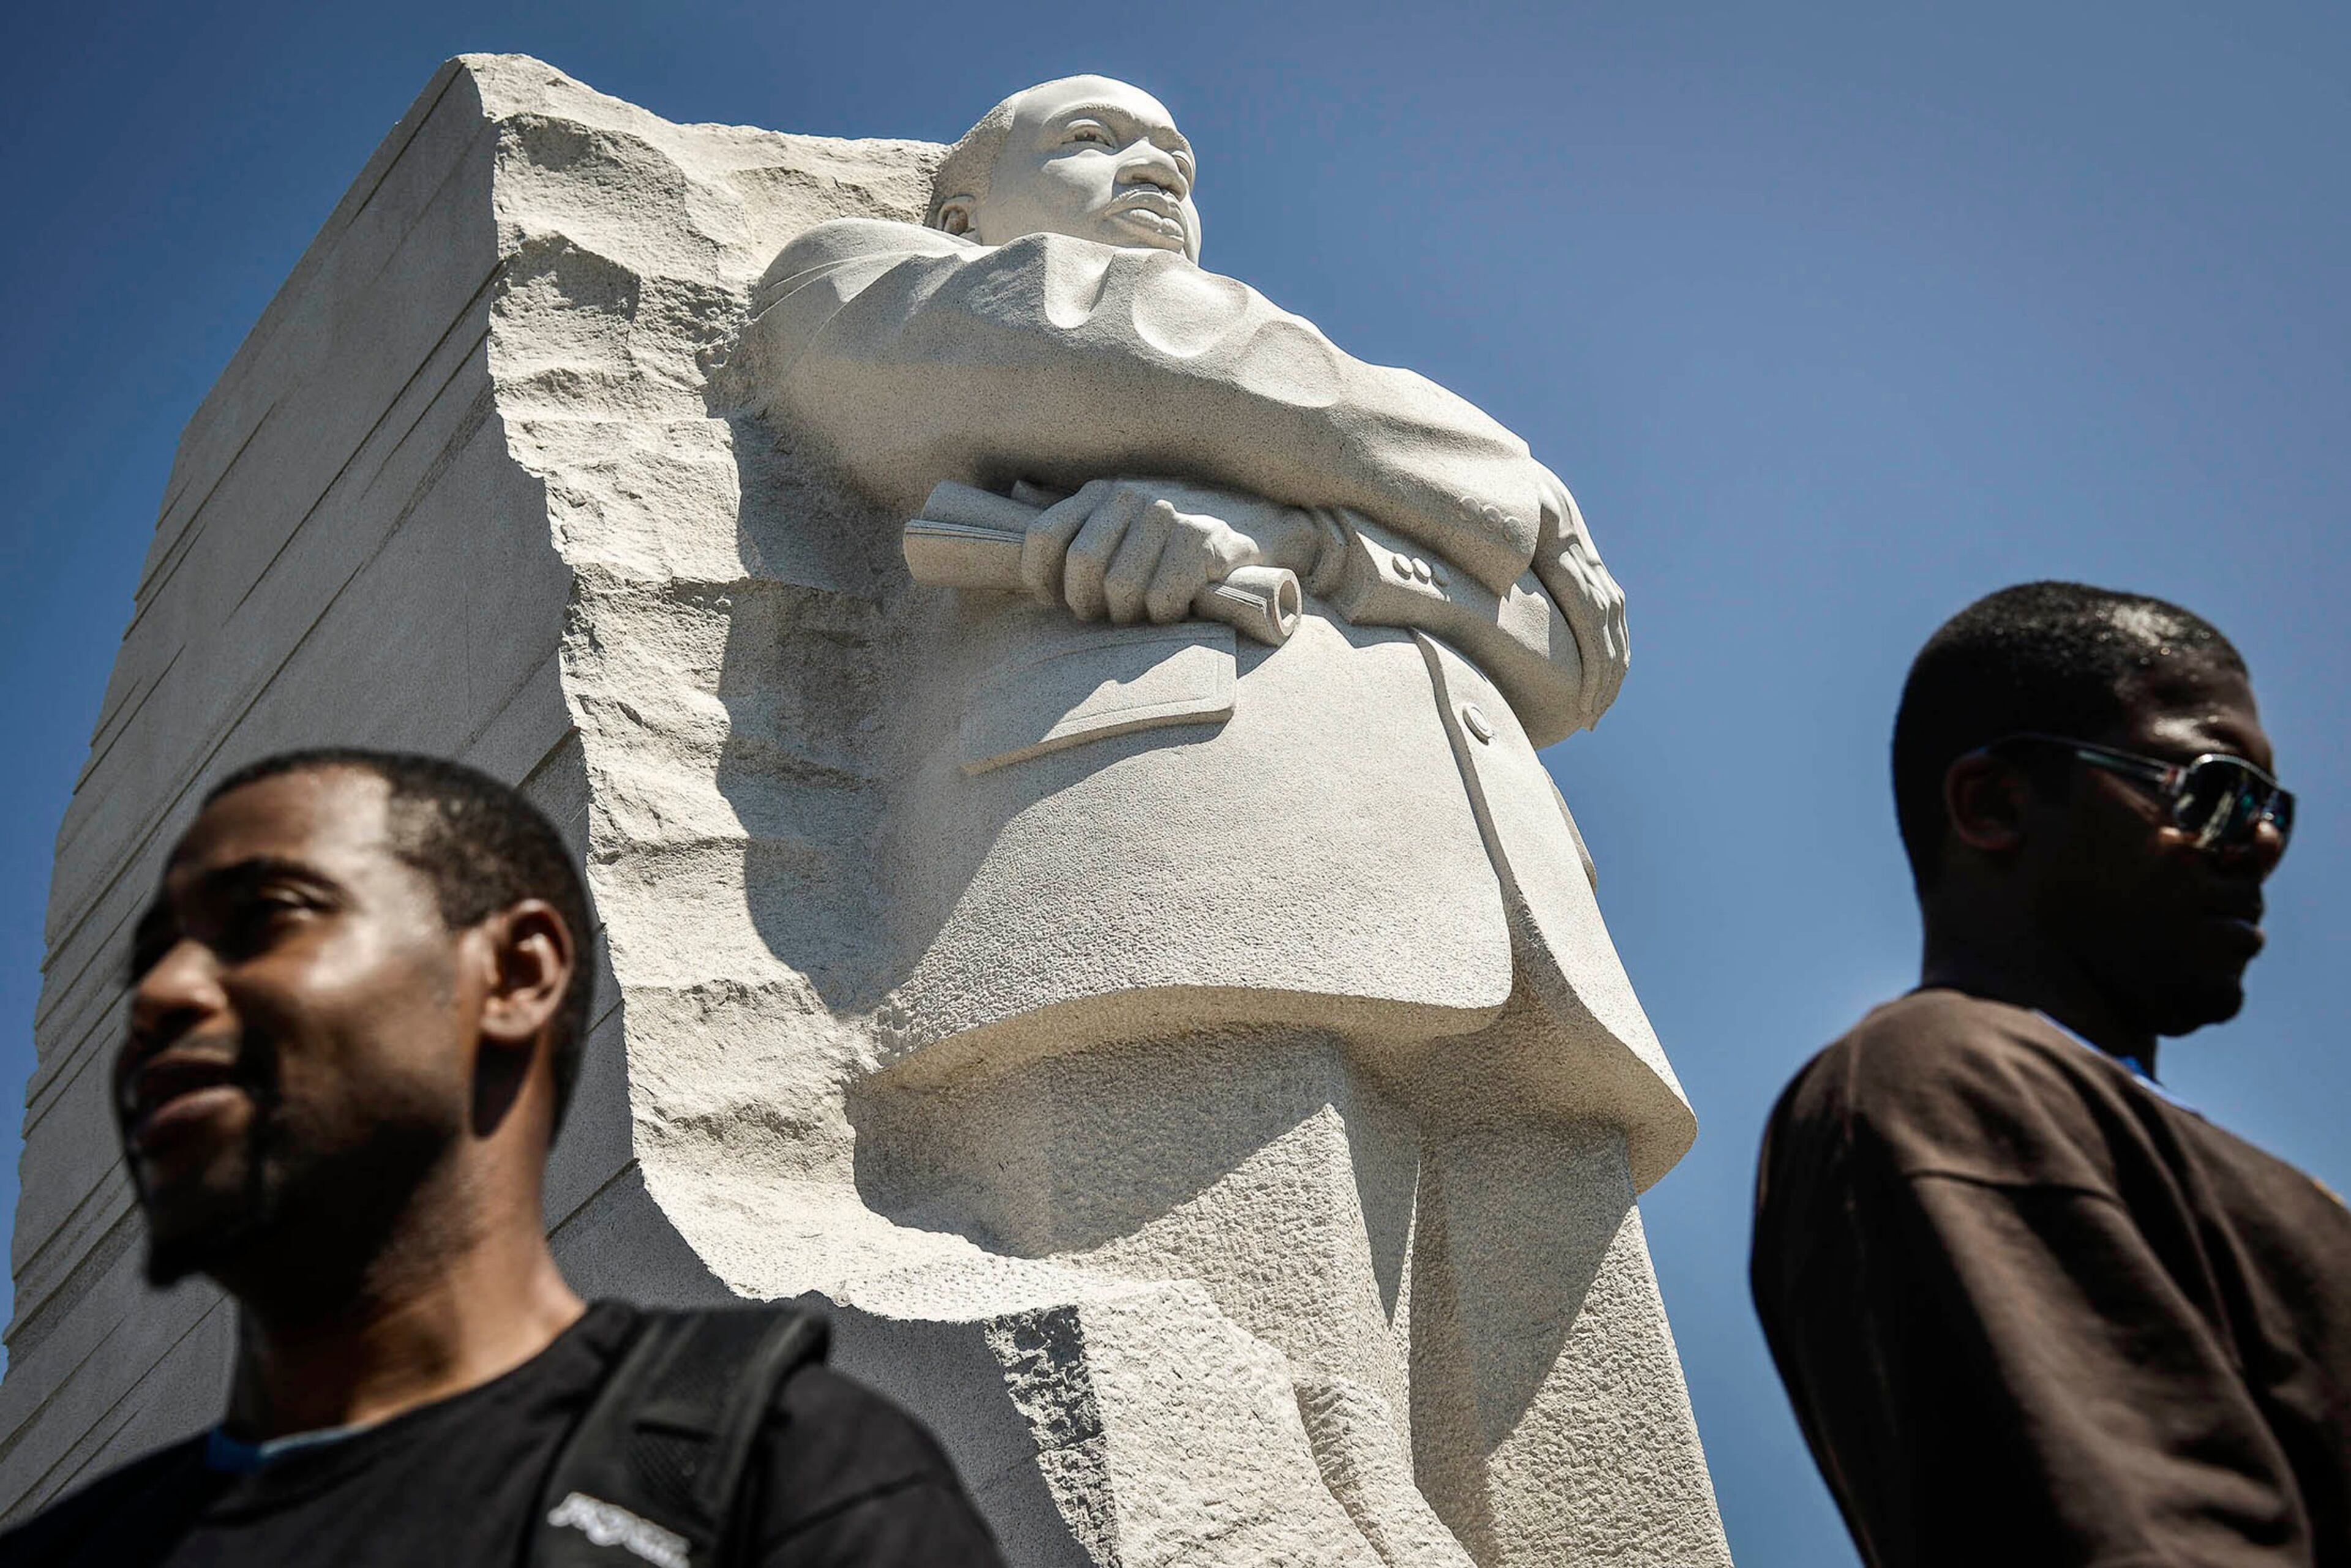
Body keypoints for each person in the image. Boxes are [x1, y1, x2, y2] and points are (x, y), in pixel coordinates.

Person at [0, 748, 1003, 1566]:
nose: (160, 995)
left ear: (516, 973)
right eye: (148, 959)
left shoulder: (785, 1480)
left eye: (266, 918)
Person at [1752, 582, 2349, 1566]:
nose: (2267, 841)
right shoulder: (1945, 1077)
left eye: (2272, 804)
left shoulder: (2142, 1139)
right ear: (1994, 805)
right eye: (2212, 787)